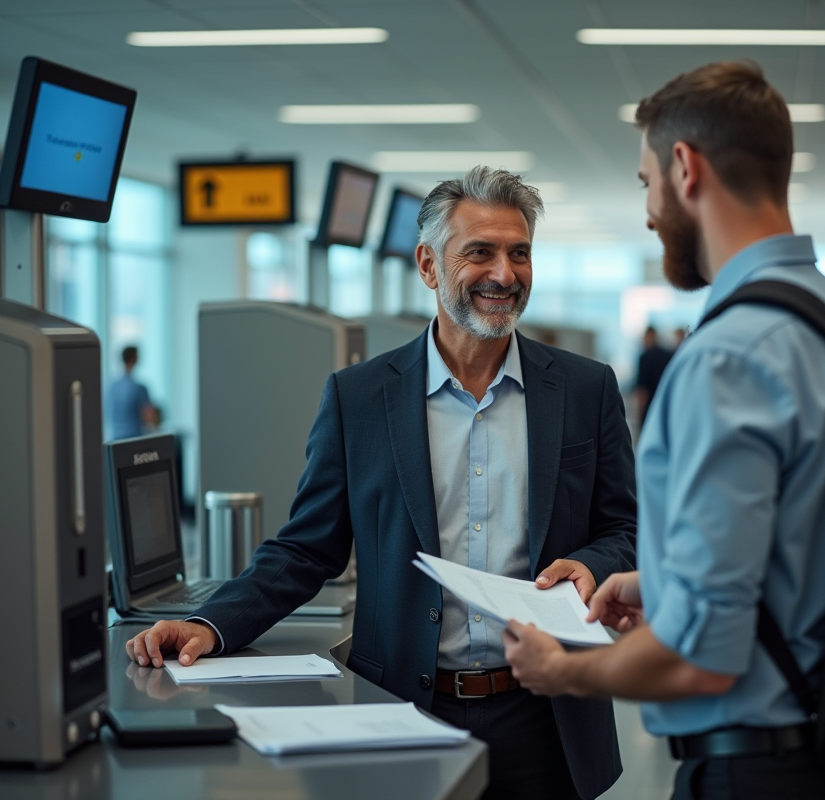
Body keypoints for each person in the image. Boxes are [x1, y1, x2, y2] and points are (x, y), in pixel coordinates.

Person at [125, 167, 637, 800]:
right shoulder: (360, 397)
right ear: (428, 265)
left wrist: (591, 565)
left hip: (546, 715)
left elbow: (624, 529)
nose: (505, 274)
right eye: (480, 252)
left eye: (519, 252)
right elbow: (307, 548)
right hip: (402, 707)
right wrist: (212, 624)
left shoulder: (586, 389)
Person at [503, 60, 825, 799]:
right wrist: (666, 583)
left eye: (645, 183)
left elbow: (700, 659)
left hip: (755, 771)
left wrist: (563, 671)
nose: (647, 211)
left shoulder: (729, 358)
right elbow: (814, 532)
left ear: (685, 167)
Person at [107, 345, 159, 440]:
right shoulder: (139, 388)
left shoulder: (111, 387)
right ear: (135, 358)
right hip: (133, 441)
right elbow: (149, 418)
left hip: (115, 439)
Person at [633, 325, 673, 426]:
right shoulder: (668, 355)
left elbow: (642, 390)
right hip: (667, 407)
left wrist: (639, 414)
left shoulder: (645, 357)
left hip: (650, 409)